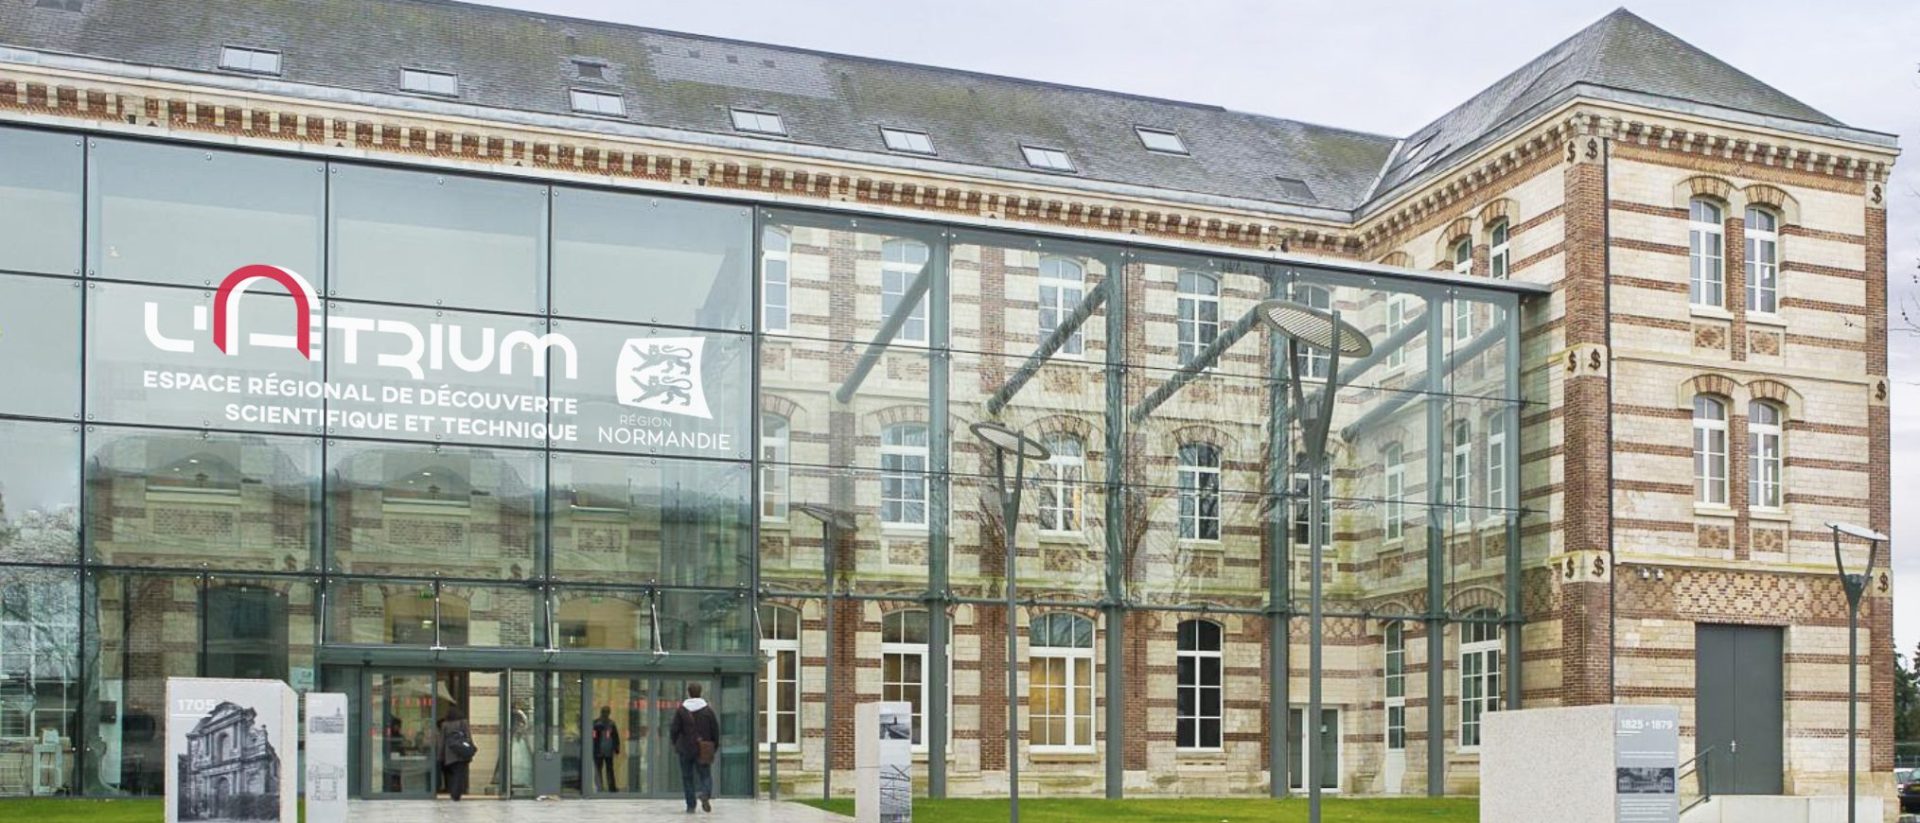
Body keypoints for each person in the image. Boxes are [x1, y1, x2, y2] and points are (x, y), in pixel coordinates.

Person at [669, 683, 720, 813]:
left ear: (689, 693)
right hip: (703, 748)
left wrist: (675, 743)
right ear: (700, 692)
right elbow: (715, 730)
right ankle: (705, 794)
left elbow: (674, 729)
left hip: (685, 749)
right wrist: (714, 746)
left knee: (687, 777)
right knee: (705, 775)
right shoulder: (708, 711)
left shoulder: (681, 710)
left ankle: (691, 805)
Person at [437, 706, 475, 801]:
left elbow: (442, 741)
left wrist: (440, 756)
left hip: (450, 754)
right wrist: (470, 749)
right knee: (460, 774)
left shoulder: (445, 725)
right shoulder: (464, 722)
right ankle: (456, 794)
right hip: (462, 753)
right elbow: (468, 737)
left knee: (452, 774)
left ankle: (454, 793)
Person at [591, 706, 621, 792]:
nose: (605, 714)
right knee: (599, 769)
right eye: (604, 712)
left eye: (607, 712)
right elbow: (593, 736)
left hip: (607, 750)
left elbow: (615, 737)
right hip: (599, 750)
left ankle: (611, 787)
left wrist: (616, 748)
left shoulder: (611, 723)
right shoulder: (596, 723)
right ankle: (600, 787)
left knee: (609, 770)